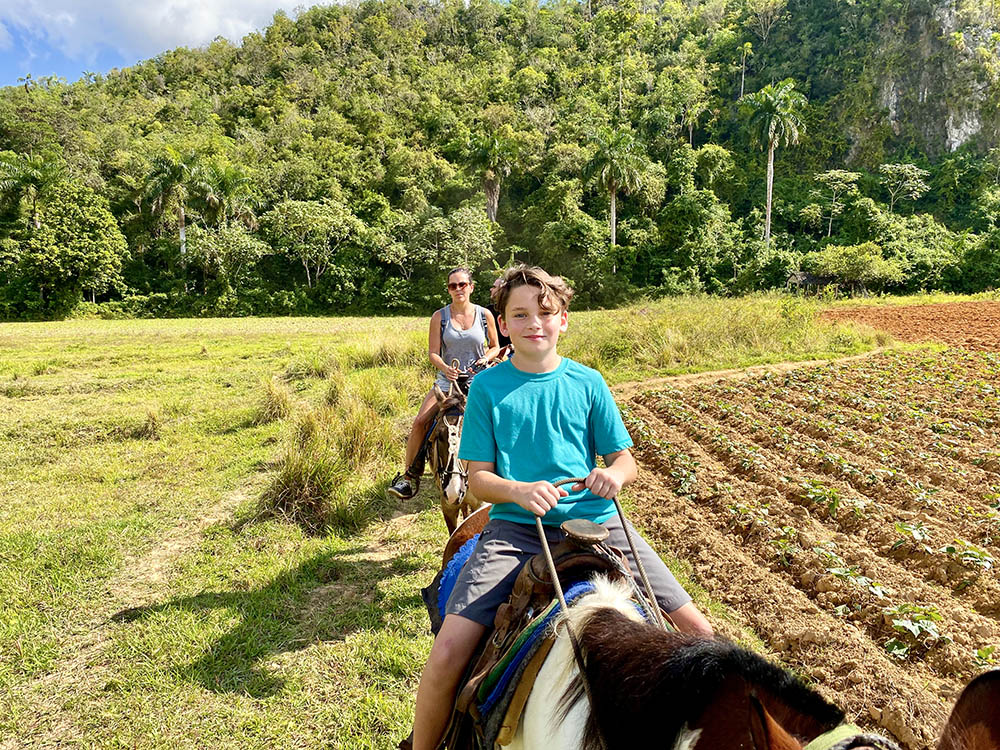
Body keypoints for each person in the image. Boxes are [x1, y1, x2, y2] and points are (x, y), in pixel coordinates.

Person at [409, 265, 714, 750]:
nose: (535, 323)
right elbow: (481, 480)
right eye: (521, 314)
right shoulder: (489, 389)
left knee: (701, 633)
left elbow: (624, 459)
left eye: (545, 312)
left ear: (563, 319)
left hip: (597, 523)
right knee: (447, 651)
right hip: (516, 531)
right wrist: (519, 491)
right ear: (503, 326)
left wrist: (613, 475)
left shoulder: (588, 382)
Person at [387, 267, 500, 501]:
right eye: (452, 286)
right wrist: (445, 368)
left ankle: (507, 473)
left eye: (462, 284)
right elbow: (433, 353)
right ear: (448, 290)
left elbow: (495, 346)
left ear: (471, 287)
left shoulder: (483, 315)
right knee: (420, 422)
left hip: (477, 382)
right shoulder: (440, 316)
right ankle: (409, 478)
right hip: (447, 384)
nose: (458, 289)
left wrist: (484, 359)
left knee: (500, 422)